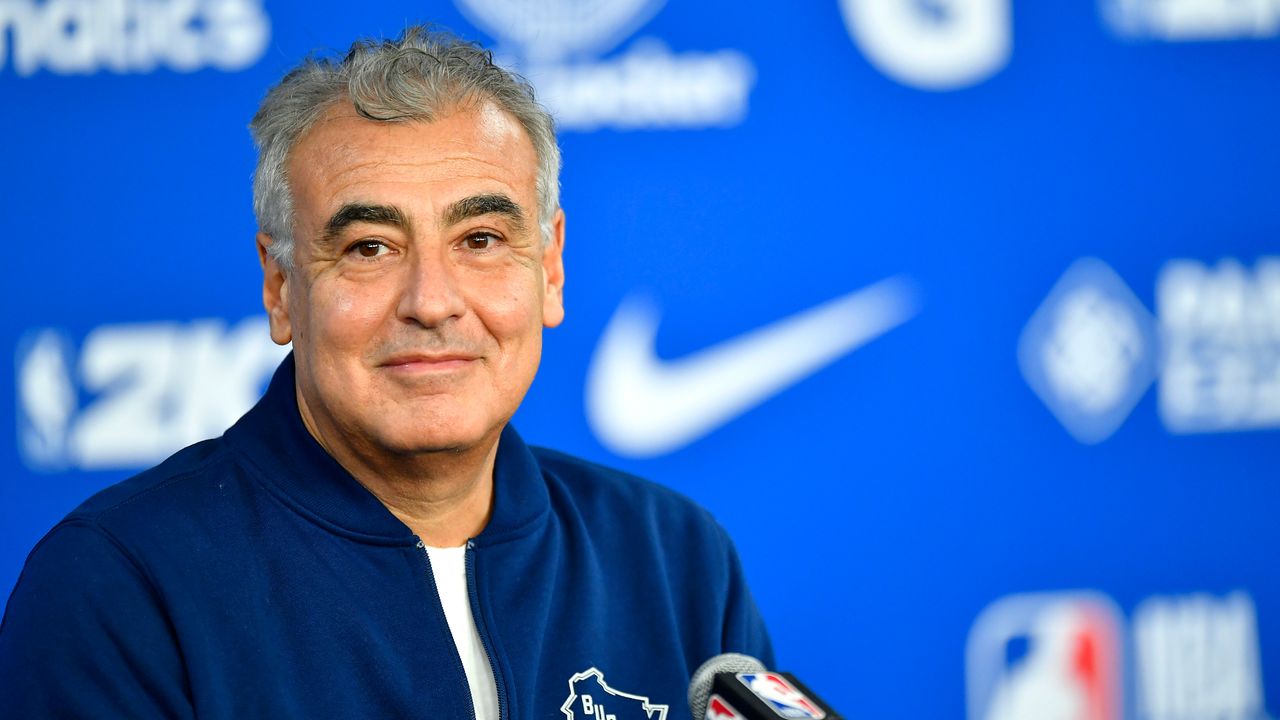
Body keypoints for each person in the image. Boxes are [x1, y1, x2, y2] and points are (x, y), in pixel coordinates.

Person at [0, 26, 772, 719]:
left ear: (551, 269)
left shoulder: (674, 559)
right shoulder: (118, 591)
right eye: (370, 246)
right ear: (280, 287)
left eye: (480, 239)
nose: (432, 303)